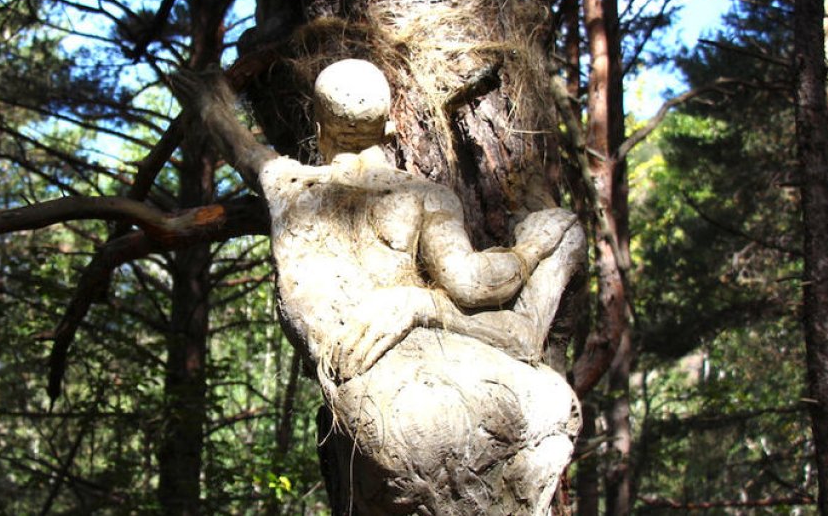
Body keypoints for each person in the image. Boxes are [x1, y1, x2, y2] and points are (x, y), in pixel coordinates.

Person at [181, 58, 584, 515]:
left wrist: (206, 100)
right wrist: (529, 251)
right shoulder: (424, 196)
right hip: (448, 393)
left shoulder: (287, 186)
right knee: (562, 231)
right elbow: (472, 284)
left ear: (318, 125)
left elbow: (244, 150)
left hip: (371, 405)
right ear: (391, 127)